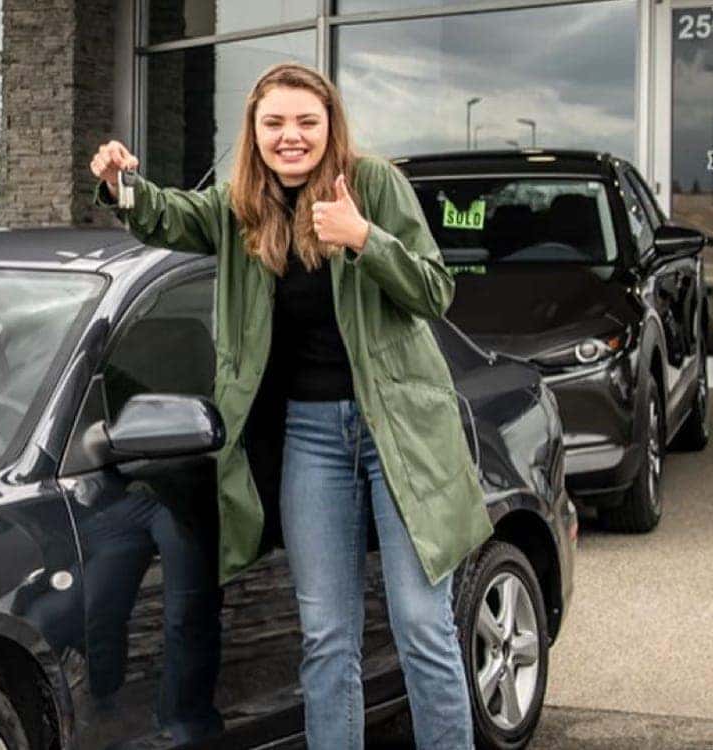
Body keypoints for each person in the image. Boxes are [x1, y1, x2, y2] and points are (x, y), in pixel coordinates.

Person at [87, 62, 492, 749]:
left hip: (398, 432)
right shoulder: (240, 204)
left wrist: (363, 239)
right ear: (254, 131)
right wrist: (120, 181)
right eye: (273, 123)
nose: (290, 136)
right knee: (325, 634)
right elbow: (165, 216)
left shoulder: (373, 186)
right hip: (311, 438)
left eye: (306, 121)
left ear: (329, 125)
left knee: (421, 625)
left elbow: (433, 291)